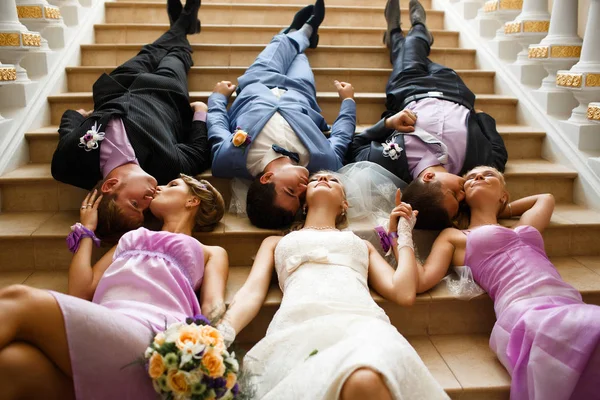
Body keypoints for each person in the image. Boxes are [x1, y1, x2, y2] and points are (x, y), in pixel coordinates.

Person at [217, 172, 448, 399]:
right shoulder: (276, 242)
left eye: (333, 180)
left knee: (365, 378)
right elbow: (251, 292)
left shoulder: (360, 244)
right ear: (304, 203)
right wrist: (222, 333)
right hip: (299, 326)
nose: (324, 179)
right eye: (315, 179)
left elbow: (404, 292)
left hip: (362, 325)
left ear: (344, 204)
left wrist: (402, 233)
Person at [0, 175, 228, 399]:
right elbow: (81, 291)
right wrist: (87, 230)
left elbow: (212, 308)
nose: (158, 187)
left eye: (172, 185)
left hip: (156, 338)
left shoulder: (211, 252)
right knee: (12, 364)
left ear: (193, 201)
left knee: (17, 298)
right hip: (106, 326)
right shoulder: (130, 237)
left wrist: (204, 364)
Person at [402, 165, 600, 400]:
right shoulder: (455, 237)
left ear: (504, 196)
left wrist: (501, 209)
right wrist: (403, 233)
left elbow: (545, 199)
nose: (477, 177)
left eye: (488, 175)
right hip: (525, 310)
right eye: (469, 180)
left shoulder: (525, 228)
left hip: (567, 301)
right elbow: (421, 280)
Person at [51, 0, 210, 239]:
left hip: (118, 84)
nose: (150, 200)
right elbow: (199, 152)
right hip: (167, 92)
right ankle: (183, 24)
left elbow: (67, 126)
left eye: (136, 203)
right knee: (177, 55)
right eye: (146, 210)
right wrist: (201, 112)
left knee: (149, 51)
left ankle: (182, 24)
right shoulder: (168, 168)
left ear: (109, 185)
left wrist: (78, 116)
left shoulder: (68, 165)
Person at [349, 0, 507, 230]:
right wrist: (483, 119)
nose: (464, 195)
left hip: (411, 87)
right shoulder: (475, 165)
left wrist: (389, 123)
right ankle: (398, 36)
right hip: (455, 89)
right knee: (410, 51)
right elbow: (499, 154)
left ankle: (415, 30)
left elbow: (353, 146)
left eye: (454, 194)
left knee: (412, 47)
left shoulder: (387, 162)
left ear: (429, 179)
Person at [207, 0, 356, 229]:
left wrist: (218, 97)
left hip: (258, 83)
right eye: (300, 197)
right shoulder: (324, 161)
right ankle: (300, 34)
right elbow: (342, 136)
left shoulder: (228, 160)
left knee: (281, 44)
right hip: (300, 90)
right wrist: (348, 100)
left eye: (290, 191)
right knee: (297, 55)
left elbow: (217, 125)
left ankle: (302, 30)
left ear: (266, 179)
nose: (303, 188)